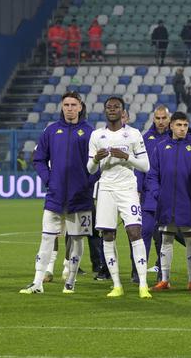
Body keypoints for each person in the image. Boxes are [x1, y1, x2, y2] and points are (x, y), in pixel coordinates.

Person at [20, 92, 95, 294]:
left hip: (80, 198)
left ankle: (70, 280)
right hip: (55, 196)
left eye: (73, 104)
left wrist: (87, 184)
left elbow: (98, 165)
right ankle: (37, 282)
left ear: (80, 107)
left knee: (78, 239)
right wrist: (49, 180)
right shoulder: (51, 131)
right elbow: (38, 159)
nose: (69, 108)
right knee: (46, 238)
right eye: (66, 104)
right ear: (62, 107)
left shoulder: (90, 132)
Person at [86, 97, 152, 298]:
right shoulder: (97, 135)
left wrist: (126, 157)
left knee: (134, 232)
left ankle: (142, 284)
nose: (112, 109)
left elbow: (146, 166)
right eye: (109, 107)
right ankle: (116, 285)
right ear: (105, 111)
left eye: (116, 107)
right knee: (107, 234)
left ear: (123, 111)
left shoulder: (133, 134)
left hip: (127, 188)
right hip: (106, 188)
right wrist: (96, 159)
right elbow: (90, 169)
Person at [145, 112, 191, 291]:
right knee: (166, 239)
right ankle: (165, 280)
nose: (183, 129)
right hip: (166, 202)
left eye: (185, 125)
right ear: (171, 126)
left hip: (188, 201)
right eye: (179, 125)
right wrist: (157, 193)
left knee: (190, 239)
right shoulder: (161, 148)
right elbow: (152, 173)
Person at [140, 105, 172, 276]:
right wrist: (138, 190)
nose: (160, 121)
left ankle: (162, 272)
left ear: (169, 119)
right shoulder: (145, 139)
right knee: (144, 233)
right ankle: (138, 272)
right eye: (158, 118)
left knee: (163, 237)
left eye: (163, 118)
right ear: (153, 119)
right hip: (149, 195)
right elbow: (139, 168)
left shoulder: (174, 137)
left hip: (168, 195)